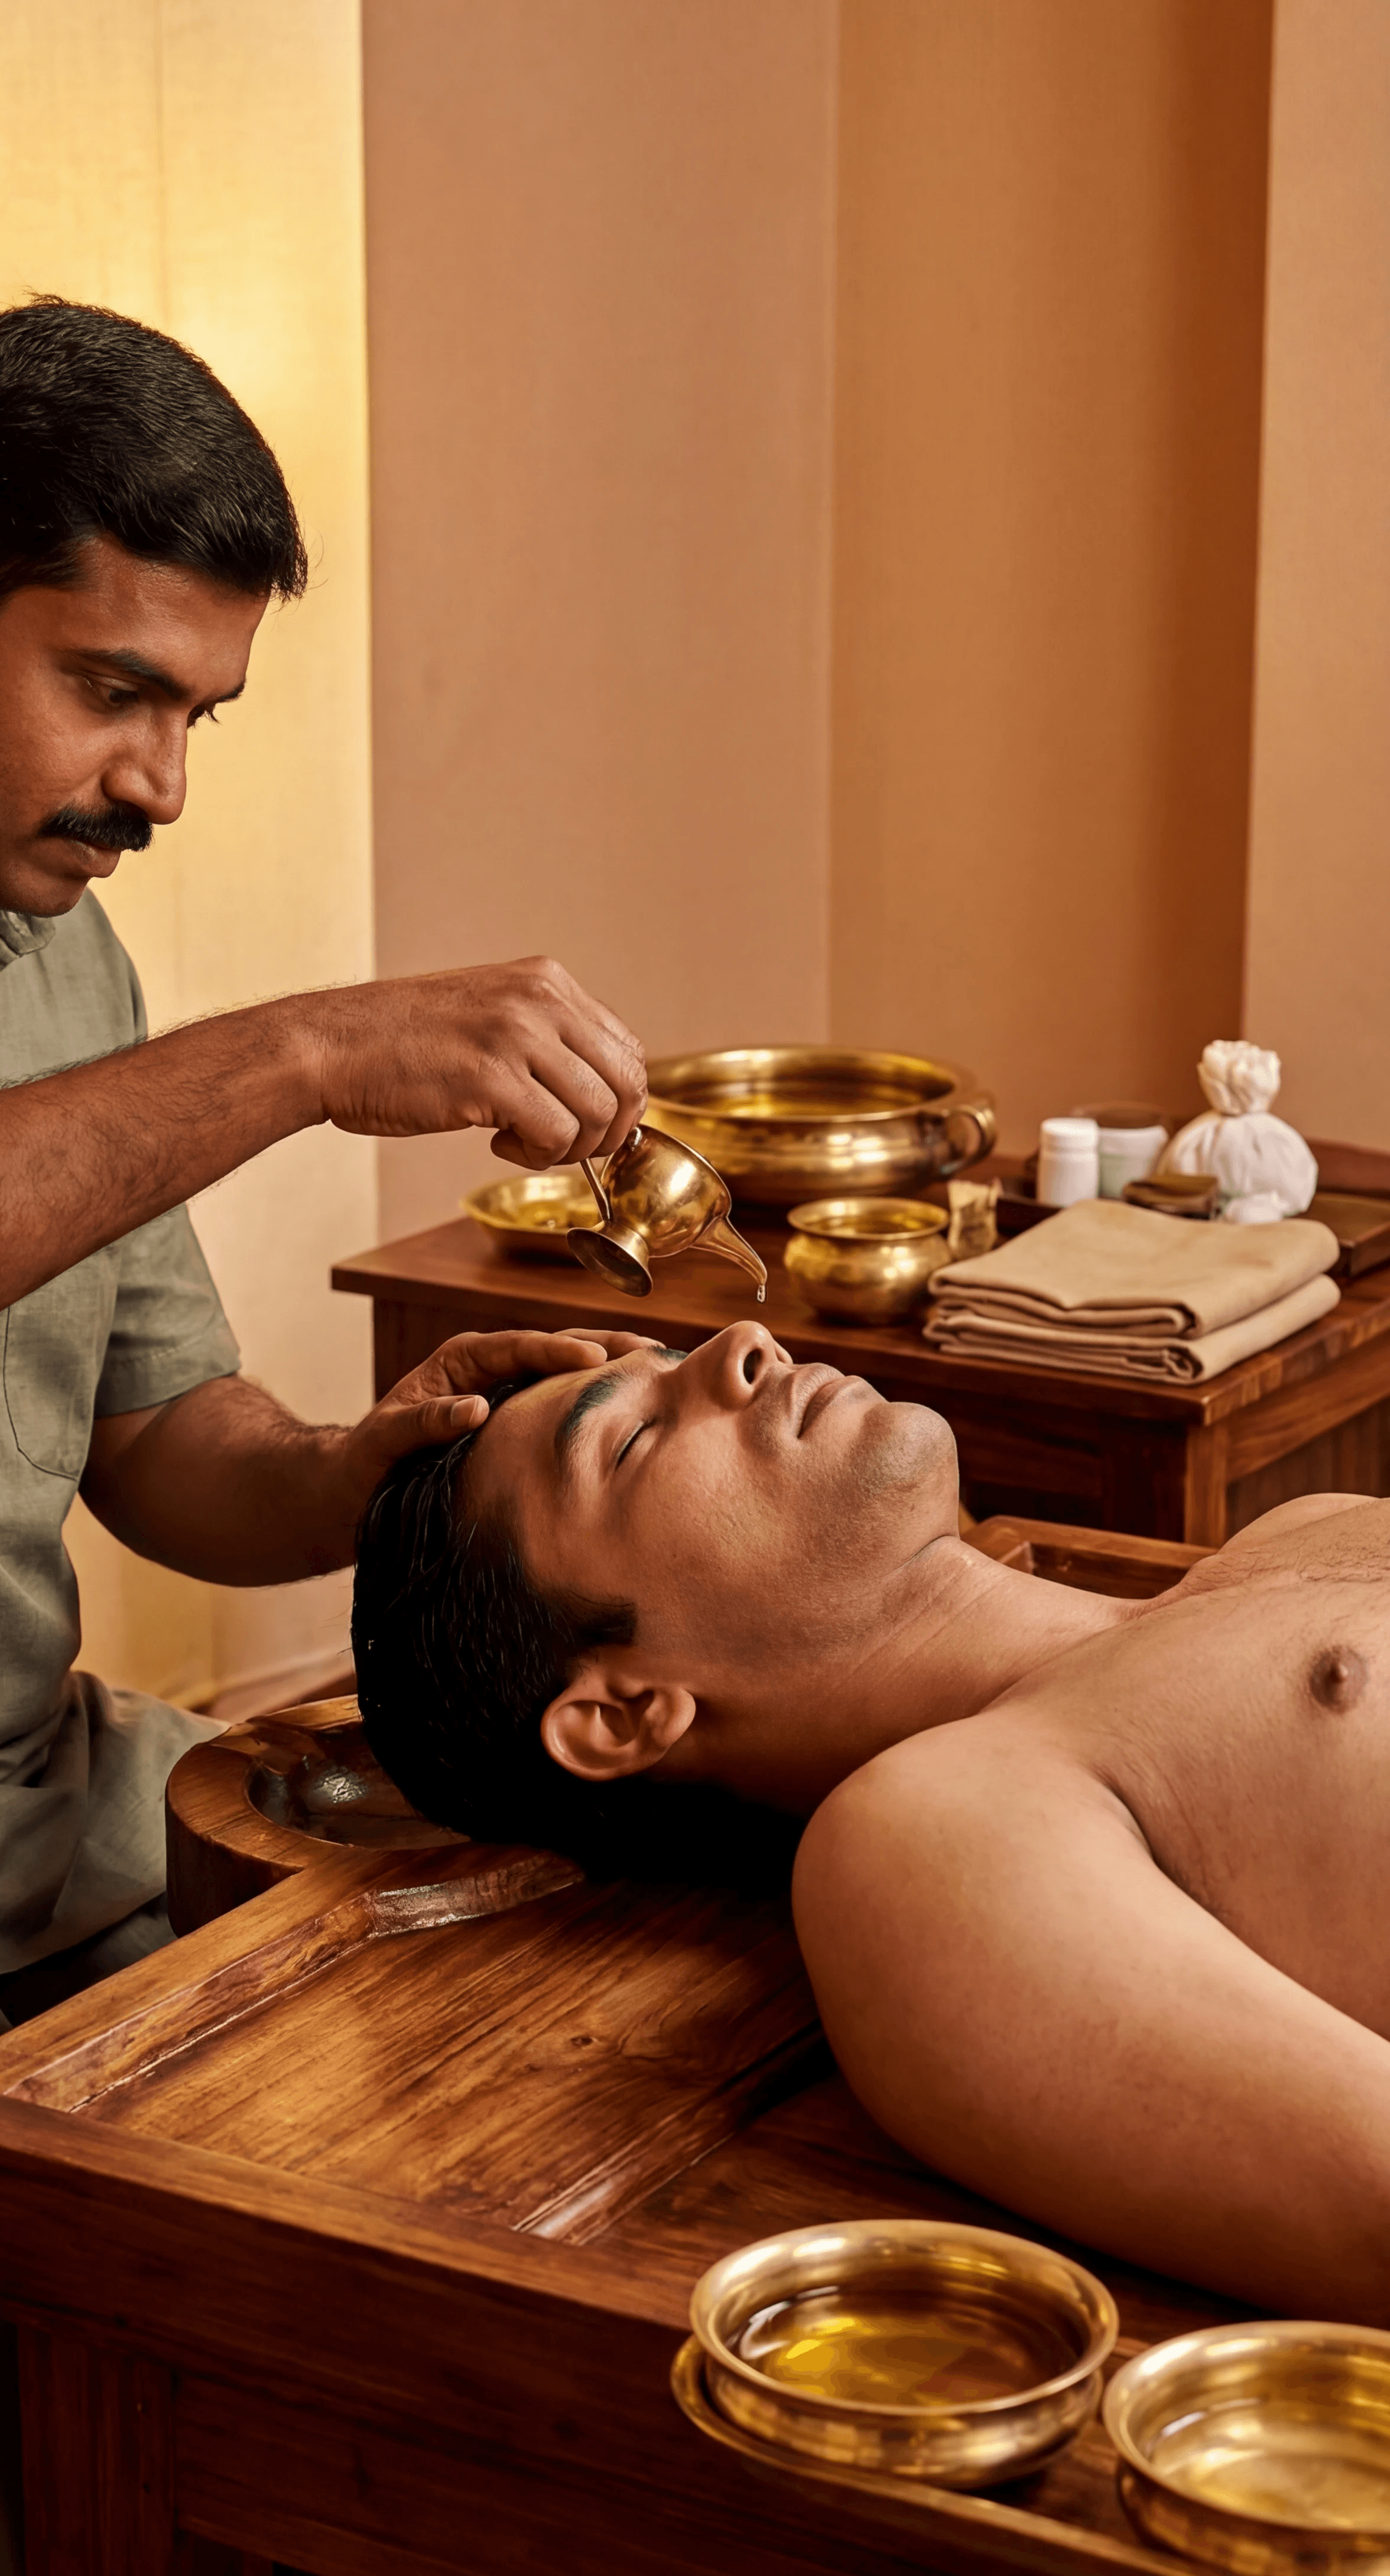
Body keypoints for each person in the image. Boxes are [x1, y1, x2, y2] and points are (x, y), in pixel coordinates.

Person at [0, 295, 651, 2017]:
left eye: (195, 716)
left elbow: (158, 1446)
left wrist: (369, 1468)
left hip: (49, 1825)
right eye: (112, 689)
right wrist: (303, 1053)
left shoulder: (64, 956)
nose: (158, 785)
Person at [354, 1320, 1390, 2322]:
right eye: (634, 1436)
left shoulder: (1298, 1529)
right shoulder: (932, 1838)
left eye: (674, 1361)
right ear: (624, 1713)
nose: (743, 1343)